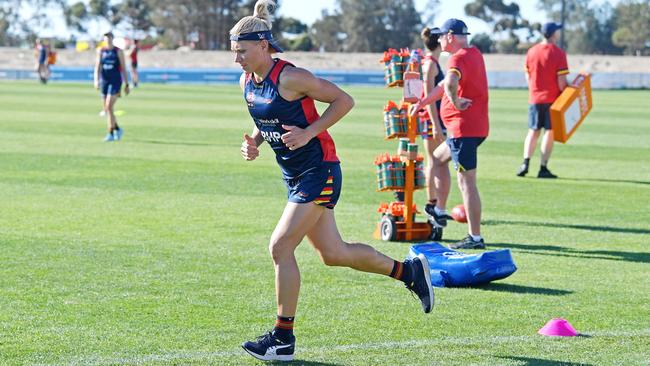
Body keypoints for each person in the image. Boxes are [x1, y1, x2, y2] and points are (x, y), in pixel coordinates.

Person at [232, 0, 434, 362]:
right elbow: (267, 118)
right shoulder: (247, 81)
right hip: (295, 176)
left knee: (279, 248)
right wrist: (255, 142)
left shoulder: (292, 77)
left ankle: (282, 338)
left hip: (320, 171)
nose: (237, 59)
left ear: (263, 45)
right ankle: (410, 273)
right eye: (234, 53)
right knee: (333, 254)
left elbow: (344, 100)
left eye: (242, 52)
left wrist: (310, 132)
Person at [412, 18, 489, 250]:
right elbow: (444, 83)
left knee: (467, 183)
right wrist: (423, 102)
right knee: (436, 157)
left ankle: (475, 238)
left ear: (450, 36)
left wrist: (454, 101)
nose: (438, 40)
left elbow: (450, 83)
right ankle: (440, 210)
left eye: (441, 35)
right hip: (471, 128)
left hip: (462, 130)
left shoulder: (457, 58)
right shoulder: (473, 53)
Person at [516, 22, 569, 178]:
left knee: (533, 131)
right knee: (549, 132)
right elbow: (562, 82)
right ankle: (543, 167)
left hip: (534, 98)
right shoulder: (558, 53)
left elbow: (528, 76)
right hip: (552, 98)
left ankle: (525, 163)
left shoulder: (531, 52)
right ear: (554, 34)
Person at [419, 27, 448, 226]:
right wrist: (436, 125)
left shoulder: (433, 62)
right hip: (432, 120)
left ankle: (434, 202)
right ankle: (432, 203)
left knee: (436, 161)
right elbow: (428, 98)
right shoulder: (430, 64)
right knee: (434, 161)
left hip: (434, 119)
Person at [94, 31, 129, 142]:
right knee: (108, 109)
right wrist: (96, 80)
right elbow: (97, 66)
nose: (107, 40)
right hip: (105, 81)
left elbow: (123, 68)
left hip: (115, 81)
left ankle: (110, 133)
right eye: (106, 38)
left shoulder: (118, 51)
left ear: (112, 39)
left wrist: (126, 84)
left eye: (109, 38)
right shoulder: (101, 51)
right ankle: (117, 129)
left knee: (109, 106)